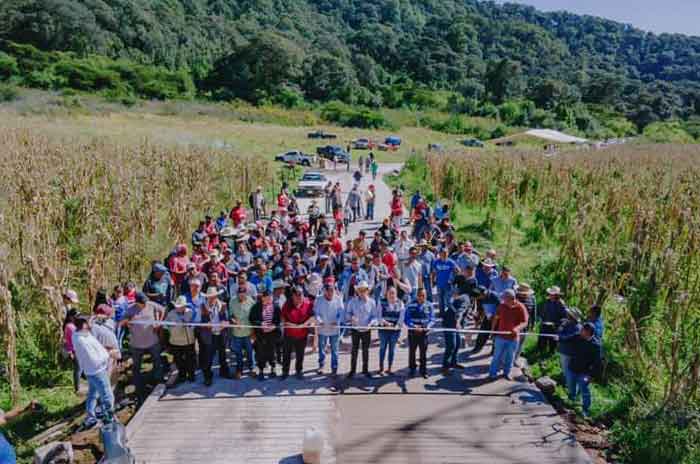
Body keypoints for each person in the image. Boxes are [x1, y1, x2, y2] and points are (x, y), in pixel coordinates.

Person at [73, 315, 118, 428]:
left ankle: (91, 416)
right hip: (97, 371)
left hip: (91, 371)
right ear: (84, 325)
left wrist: (105, 350)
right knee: (107, 395)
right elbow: (94, 360)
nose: (91, 324)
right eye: (89, 322)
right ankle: (109, 418)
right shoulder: (83, 341)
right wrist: (109, 354)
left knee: (93, 394)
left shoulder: (81, 335)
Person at [122, 292, 164, 404]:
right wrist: (128, 323)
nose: (145, 305)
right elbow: (123, 321)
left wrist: (159, 322)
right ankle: (138, 385)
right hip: (136, 344)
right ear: (137, 302)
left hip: (152, 341)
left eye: (146, 302)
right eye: (142, 303)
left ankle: (158, 380)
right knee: (136, 366)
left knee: (157, 360)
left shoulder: (150, 304)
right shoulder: (130, 309)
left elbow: (162, 309)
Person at [488, 289, 529, 380]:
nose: (503, 300)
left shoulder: (520, 307)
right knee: (496, 356)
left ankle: (507, 373)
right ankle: (492, 373)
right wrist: (492, 330)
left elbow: (525, 322)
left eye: (504, 299)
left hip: (513, 338)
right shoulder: (501, 306)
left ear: (511, 298)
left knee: (510, 357)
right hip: (500, 336)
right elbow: (496, 318)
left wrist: (517, 328)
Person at [345, 281, 378, 378]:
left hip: (366, 330)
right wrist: (351, 318)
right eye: (360, 290)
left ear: (367, 291)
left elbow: (374, 317)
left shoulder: (372, 302)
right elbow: (347, 314)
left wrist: (370, 324)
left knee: (365, 351)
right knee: (354, 350)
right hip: (355, 330)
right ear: (357, 291)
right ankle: (352, 370)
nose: (362, 292)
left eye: (364, 290)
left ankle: (365, 370)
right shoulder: (352, 301)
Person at [569, 322, 602, 417]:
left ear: (588, 332)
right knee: (571, 385)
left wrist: (591, 376)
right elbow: (567, 338)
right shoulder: (577, 337)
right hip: (573, 367)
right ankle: (572, 402)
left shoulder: (596, 345)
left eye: (582, 330)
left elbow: (597, 363)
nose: (580, 331)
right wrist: (559, 337)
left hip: (585, 372)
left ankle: (585, 409)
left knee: (584, 389)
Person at [280, 285, 314, 379]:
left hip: (302, 334)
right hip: (289, 334)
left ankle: (299, 371)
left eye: (301, 294)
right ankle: (285, 372)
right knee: (286, 354)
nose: (300, 297)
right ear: (292, 296)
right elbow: (283, 318)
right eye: (297, 295)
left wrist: (304, 325)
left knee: (300, 354)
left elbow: (312, 317)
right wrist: (293, 325)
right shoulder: (287, 304)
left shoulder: (308, 303)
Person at [313, 279, 344, 376]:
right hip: (322, 329)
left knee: (335, 350)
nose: (331, 293)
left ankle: (334, 368)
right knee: (321, 348)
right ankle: (321, 365)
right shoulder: (319, 299)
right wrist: (319, 321)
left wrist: (337, 320)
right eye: (329, 290)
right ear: (325, 291)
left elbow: (341, 312)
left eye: (332, 290)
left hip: (334, 330)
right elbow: (316, 313)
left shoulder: (338, 298)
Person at [250, 289, 282, 380]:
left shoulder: (276, 307)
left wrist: (274, 326)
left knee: (272, 351)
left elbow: (278, 320)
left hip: (272, 333)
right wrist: (260, 324)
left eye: (270, 298)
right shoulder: (256, 307)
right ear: (262, 298)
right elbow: (252, 319)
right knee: (260, 352)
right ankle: (261, 370)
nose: (268, 300)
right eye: (266, 298)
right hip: (261, 334)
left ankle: (273, 368)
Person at [165, 296, 196, 383]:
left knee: (190, 359)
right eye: (178, 306)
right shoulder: (171, 314)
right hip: (175, 342)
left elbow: (195, 324)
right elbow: (165, 326)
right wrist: (174, 326)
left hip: (188, 341)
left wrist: (189, 324)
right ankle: (182, 376)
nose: (179, 308)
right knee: (179, 360)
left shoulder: (190, 312)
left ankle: (191, 375)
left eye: (181, 306)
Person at [405, 288, 433, 378]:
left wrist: (428, 326)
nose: (421, 297)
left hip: (424, 333)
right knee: (412, 352)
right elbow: (407, 319)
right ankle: (412, 369)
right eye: (420, 295)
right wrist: (413, 326)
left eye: (423, 295)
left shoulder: (429, 305)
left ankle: (423, 370)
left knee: (423, 353)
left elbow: (432, 318)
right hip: (413, 332)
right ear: (417, 295)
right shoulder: (410, 305)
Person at [229, 284, 256, 379]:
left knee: (250, 352)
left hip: (248, 332)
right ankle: (239, 370)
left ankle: (252, 368)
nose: (241, 296)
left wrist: (253, 332)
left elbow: (254, 317)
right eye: (239, 294)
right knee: (238, 353)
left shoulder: (251, 301)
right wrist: (233, 320)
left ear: (246, 294)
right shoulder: (232, 301)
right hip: (236, 333)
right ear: (237, 294)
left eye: (243, 294)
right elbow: (230, 315)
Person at [378, 286, 405, 375]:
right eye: (390, 293)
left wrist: (397, 326)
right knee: (382, 348)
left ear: (396, 294)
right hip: (383, 330)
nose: (391, 295)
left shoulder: (400, 303)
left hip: (395, 331)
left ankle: (390, 368)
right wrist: (385, 323)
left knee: (392, 349)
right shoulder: (382, 302)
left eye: (393, 293)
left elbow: (401, 317)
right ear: (387, 294)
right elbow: (378, 315)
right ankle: (381, 368)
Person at [558, 307, 583, 396]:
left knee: (568, 372)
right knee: (566, 371)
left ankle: (572, 393)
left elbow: (570, 337)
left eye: (569, 314)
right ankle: (570, 390)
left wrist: (562, 337)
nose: (567, 315)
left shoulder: (578, 327)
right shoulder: (567, 324)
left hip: (569, 353)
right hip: (564, 351)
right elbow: (560, 332)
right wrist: (562, 327)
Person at [539, 286, 567, 353]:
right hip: (545, 323)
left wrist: (557, 324)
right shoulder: (547, 301)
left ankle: (550, 353)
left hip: (555, 325)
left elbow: (564, 316)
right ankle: (541, 351)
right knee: (542, 338)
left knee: (552, 341)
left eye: (553, 294)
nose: (551, 295)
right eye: (550, 294)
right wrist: (542, 319)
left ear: (556, 295)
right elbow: (544, 311)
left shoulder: (561, 303)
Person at [514, 283, 537, 363]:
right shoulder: (514, 298)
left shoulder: (532, 299)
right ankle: (507, 360)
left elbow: (533, 312)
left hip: (525, 325)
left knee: (520, 343)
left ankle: (515, 360)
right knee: (512, 343)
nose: (524, 295)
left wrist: (533, 325)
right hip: (514, 325)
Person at [62, 308, 81, 394]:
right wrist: (70, 351)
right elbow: (68, 340)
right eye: (76, 316)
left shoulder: (71, 325)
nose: (77, 318)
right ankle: (77, 388)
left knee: (79, 369)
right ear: (71, 317)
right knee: (78, 369)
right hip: (74, 350)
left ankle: (78, 387)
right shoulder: (70, 326)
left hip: (76, 349)